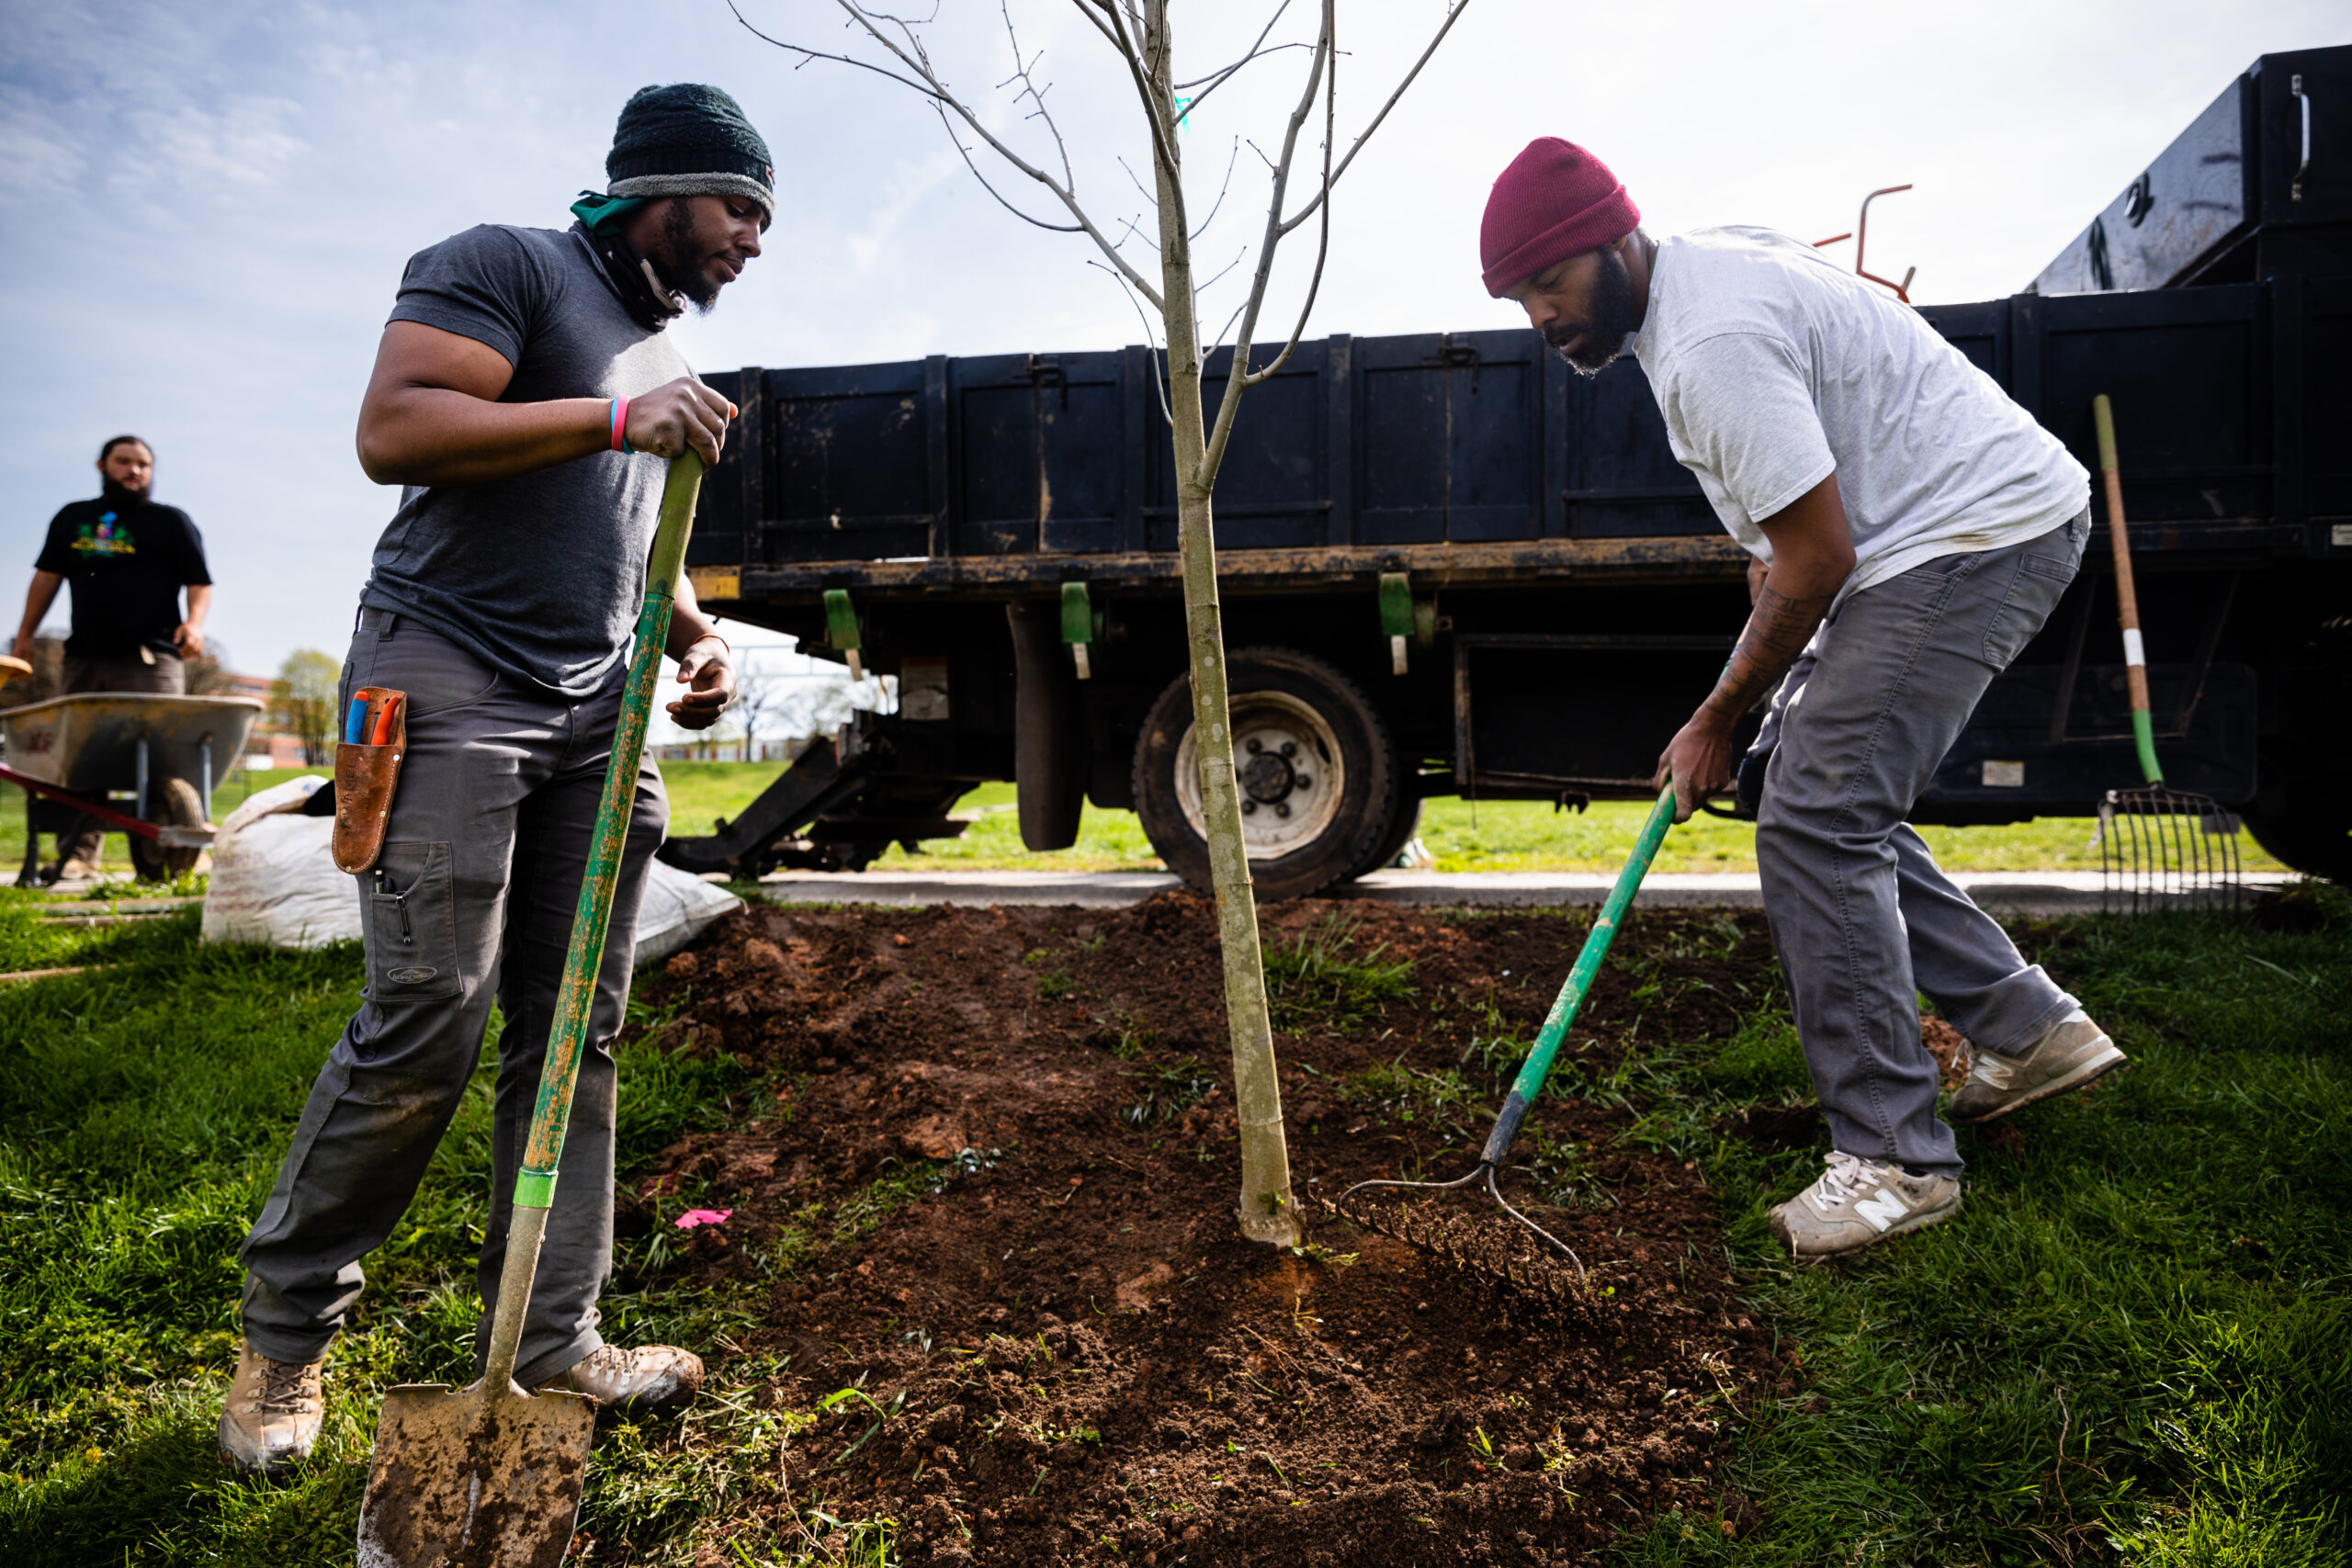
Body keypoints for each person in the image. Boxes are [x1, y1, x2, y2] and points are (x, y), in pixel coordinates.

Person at [219, 83, 773, 1477]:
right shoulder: (504, 264)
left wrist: (694, 638)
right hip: (447, 671)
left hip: (597, 706)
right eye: (738, 209)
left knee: (576, 1023)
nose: (753, 241)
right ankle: (285, 1336)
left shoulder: (645, 346)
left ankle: (552, 1334)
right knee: (429, 1013)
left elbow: (617, 532)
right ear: (661, 187)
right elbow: (396, 429)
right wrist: (609, 419)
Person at [1480, 140, 2124, 1259]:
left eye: (1551, 281)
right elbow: (1783, 543)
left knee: (1820, 818)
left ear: (1615, 239)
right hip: (1928, 538)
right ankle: (2031, 1030)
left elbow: (1815, 557)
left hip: (1965, 539)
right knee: (1812, 789)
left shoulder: (1706, 342)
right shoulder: (1699, 276)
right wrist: (1764, 673)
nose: (1540, 314)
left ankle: (1891, 1161)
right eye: (1520, 296)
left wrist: (1715, 715)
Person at [13, 435, 213, 883]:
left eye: (143, 464)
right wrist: (24, 635)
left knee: (167, 757)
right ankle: (80, 858)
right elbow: (46, 579)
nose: (134, 471)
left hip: (152, 659)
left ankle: (176, 852)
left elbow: (200, 581)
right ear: (103, 465)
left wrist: (195, 623)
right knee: (81, 762)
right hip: (84, 660)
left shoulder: (170, 522)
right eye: (124, 462)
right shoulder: (74, 519)